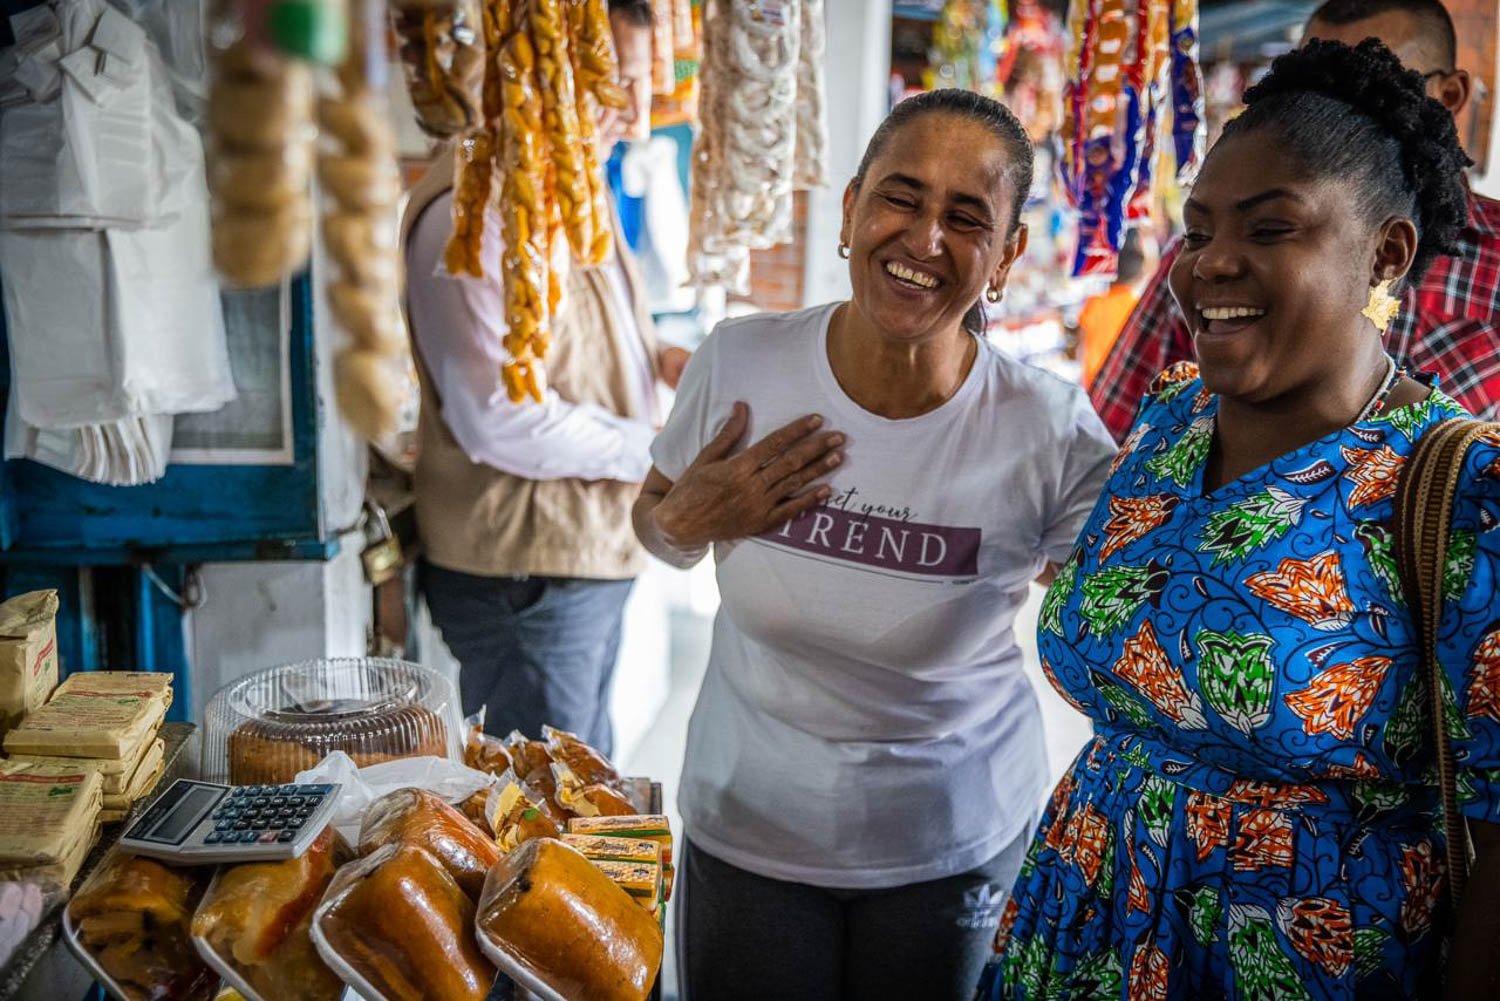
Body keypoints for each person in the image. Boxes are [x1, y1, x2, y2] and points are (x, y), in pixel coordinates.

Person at [982, 39, 1500, 999]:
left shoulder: (1460, 492)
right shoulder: (1173, 418)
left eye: (1270, 231)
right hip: (1077, 930)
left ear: (1385, 251)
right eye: (1199, 229)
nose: (1212, 264)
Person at [633, 90, 1117, 1000]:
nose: (925, 237)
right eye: (901, 196)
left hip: (952, 843)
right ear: (852, 209)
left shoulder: (1047, 429)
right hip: (750, 828)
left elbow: (1118, 618)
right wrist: (685, 522)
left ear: (1009, 255)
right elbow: (657, 533)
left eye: (966, 216)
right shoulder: (743, 364)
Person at [400, 0, 686, 754]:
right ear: (542, 67)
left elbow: (578, 332)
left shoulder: (564, 180)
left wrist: (664, 360)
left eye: (641, 84)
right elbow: (497, 414)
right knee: (538, 807)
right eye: (613, 83)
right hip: (525, 572)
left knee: (581, 780)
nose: (635, 114)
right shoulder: (483, 205)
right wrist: (654, 449)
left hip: (574, 557)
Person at [1090, 0, 1500, 441]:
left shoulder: (1467, 480)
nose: (1328, 122)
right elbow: (1108, 443)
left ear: (1389, 253)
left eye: (1380, 90)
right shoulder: (1203, 269)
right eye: (1313, 88)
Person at [1075, 230, 1148, 388]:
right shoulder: (1137, 308)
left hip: (1093, 382)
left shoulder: (1094, 303)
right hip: (1121, 384)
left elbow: (1081, 347)